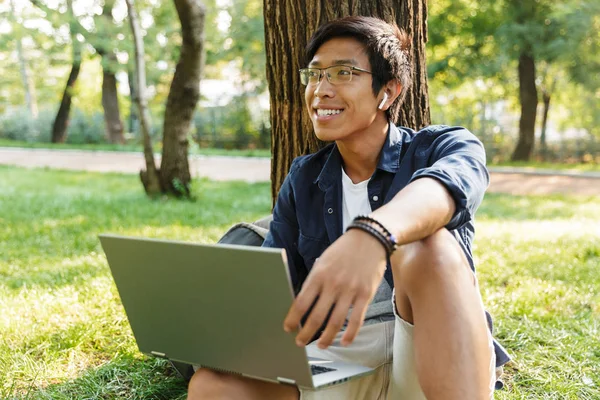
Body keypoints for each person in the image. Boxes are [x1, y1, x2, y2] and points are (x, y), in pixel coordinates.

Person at [187, 15, 509, 400]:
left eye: (343, 73)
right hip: (340, 360)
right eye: (315, 74)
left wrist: (371, 235)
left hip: (428, 353)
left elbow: (446, 189)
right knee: (212, 386)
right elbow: (276, 290)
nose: (321, 90)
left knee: (428, 246)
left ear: (387, 92)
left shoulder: (445, 146)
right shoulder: (304, 178)